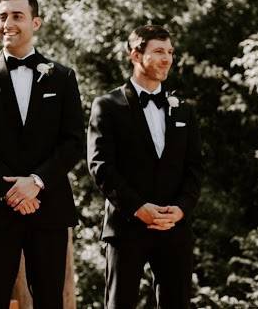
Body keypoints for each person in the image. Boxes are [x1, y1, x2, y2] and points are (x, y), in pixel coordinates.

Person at [0, 0, 84, 309]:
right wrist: (9, 190)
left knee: (49, 299)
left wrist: (36, 182)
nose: (8, 24)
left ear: (36, 22)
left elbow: (74, 142)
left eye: (17, 16)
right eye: (2, 17)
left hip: (49, 207)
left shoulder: (62, 77)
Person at [87, 25, 202, 309]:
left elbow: (195, 167)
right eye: (159, 51)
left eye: (170, 52)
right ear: (135, 55)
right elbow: (101, 166)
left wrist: (182, 208)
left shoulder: (183, 109)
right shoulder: (107, 105)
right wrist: (139, 208)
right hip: (127, 227)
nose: (168, 59)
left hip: (174, 228)